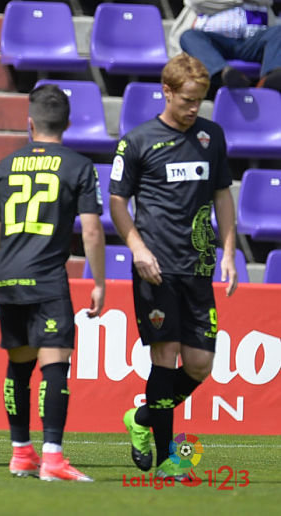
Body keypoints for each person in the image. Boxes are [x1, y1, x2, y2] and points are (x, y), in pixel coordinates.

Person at [109, 53, 238, 481]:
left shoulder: (211, 136)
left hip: (198, 266)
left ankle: (141, 418)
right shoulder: (138, 140)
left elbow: (222, 194)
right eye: (186, 99)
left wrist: (230, 253)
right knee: (164, 359)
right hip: (156, 269)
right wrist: (137, 248)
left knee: (201, 364)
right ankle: (167, 461)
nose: (193, 107)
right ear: (167, 92)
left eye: (199, 100)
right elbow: (116, 202)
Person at [0, 84, 106, 482]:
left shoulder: (5, 166)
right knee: (54, 365)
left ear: (30, 123)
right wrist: (100, 282)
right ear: (68, 124)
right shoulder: (78, 166)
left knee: (18, 365)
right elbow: (90, 231)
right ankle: (53, 457)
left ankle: (21, 453)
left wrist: (4, 268)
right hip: (48, 279)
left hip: (8, 278)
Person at [168, 0, 281, 91]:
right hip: (215, 43)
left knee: (278, 32)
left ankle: (269, 81)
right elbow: (196, 2)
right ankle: (223, 74)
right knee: (188, 36)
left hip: (251, 42)